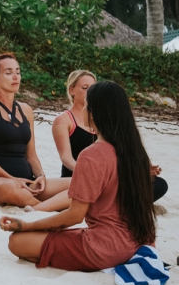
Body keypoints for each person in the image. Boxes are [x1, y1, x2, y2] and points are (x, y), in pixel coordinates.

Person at [0, 81, 158, 272]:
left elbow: (74, 216)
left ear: (93, 113)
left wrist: (28, 226)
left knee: (17, 242)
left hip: (105, 248)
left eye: (86, 105)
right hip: (139, 242)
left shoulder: (92, 155)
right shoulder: (136, 152)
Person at [53, 69, 168, 202]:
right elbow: (66, 157)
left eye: (93, 88)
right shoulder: (64, 120)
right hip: (76, 175)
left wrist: (141, 169)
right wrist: (86, 173)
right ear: (72, 90)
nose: (90, 92)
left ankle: (114, 202)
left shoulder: (102, 117)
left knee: (158, 184)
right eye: (85, 88)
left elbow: (119, 152)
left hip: (106, 177)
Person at [0, 53, 70, 210]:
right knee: (9, 188)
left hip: (28, 182)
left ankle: (40, 206)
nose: (15, 77)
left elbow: (31, 154)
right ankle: (44, 208)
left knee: (77, 183)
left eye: (18, 72)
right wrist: (13, 179)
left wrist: (41, 177)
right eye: (9, 72)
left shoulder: (26, 110)